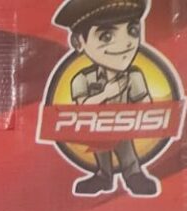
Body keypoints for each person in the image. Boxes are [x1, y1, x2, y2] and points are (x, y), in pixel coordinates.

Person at [54, 0, 159, 196]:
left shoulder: (134, 76)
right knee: (98, 140)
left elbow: (146, 106)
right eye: (107, 36)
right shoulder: (82, 79)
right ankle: (104, 176)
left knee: (124, 147)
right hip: (96, 128)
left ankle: (133, 175)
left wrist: (138, 113)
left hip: (123, 127)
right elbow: (81, 109)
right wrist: (106, 94)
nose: (126, 43)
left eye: (133, 31)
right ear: (78, 42)